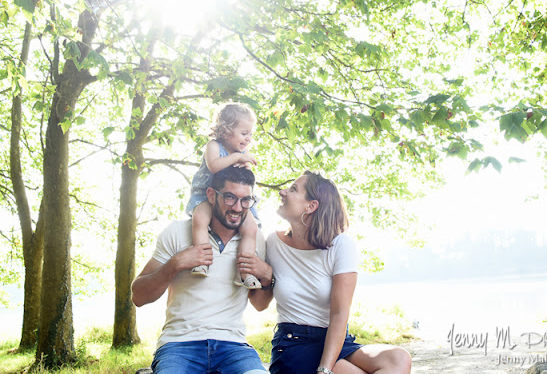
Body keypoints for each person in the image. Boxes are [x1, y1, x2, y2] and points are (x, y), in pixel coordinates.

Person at [238, 171, 412, 374]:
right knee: (343, 370)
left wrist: (325, 369)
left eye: (293, 189)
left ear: (311, 206)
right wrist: (267, 275)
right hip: (294, 344)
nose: (282, 192)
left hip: (336, 342)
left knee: (398, 358)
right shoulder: (273, 243)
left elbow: (339, 314)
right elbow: (259, 305)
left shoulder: (341, 245)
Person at [131, 167, 273, 374]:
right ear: (211, 195)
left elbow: (260, 304)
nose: (238, 208)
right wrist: (175, 264)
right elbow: (138, 296)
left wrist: (267, 276)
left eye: (246, 200)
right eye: (230, 198)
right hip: (179, 344)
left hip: (233, 346)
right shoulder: (178, 232)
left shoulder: (256, 241)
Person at [186, 103, 261, 288]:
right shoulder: (214, 146)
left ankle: (245, 272)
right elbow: (214, 165)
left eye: (250, 134)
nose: (248, 139)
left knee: (251, 229)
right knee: (200, 220)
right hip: (206, 194)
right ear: (227, 131)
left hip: (231, 199)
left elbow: (245, 178)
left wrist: (245, 165)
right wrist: (237, 158)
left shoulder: (242, 152)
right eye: (244, 133)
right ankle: (202, 262)